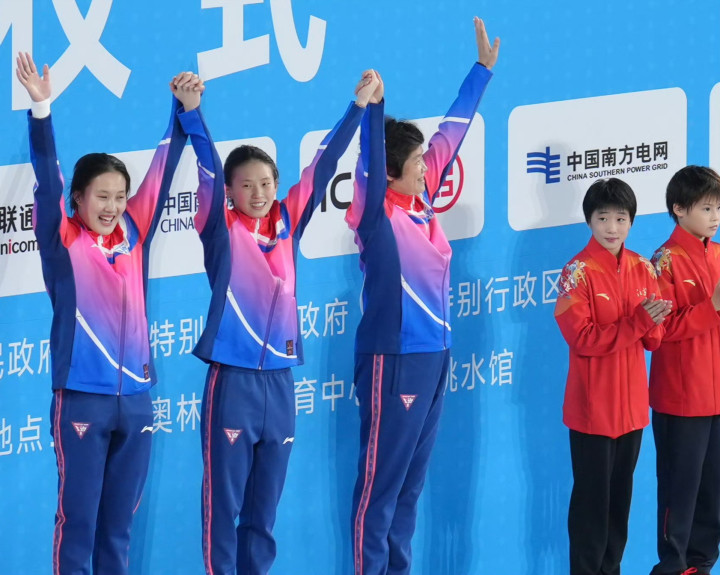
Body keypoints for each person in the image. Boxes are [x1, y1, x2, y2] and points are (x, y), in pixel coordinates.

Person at [170, 69, 380, 575]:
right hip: (233, 382)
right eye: (246, 185)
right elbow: (206, 166)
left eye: (266, 183)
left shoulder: (288, 219)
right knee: (224, 509)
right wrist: (192, 114)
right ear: (229, 191)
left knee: (263, 514)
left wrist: (358, 107)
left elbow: (324, 164)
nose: (259, 192)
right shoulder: (219, 227)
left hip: (280, 384)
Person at [15, 52, 197, 574]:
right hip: (81, 398)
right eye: (102, 196)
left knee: (119, 529)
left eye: (120, 196)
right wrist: (42, 110)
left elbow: (162, 170)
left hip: (136, 401)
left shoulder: (135, 232)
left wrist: (182, 110)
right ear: (78, 199)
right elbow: (47, 178)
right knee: (79, 525)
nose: (113, 206)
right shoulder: (63, 241)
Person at [345, 17, 499, 575]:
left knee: (409, 490)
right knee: (379, 493)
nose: (426, 167)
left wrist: (481, 72)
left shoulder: (422, 198)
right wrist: (374, 110)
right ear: (389, 174)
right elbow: (369, 163)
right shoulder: (374, 213)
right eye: (415, 165)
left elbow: (450, 134)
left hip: (435, 358)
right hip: (394, 359)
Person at [554, 178, 671, 575]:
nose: (612, 228)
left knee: (619, 506)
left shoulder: (643, 268)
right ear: (589, 220)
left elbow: (654, 341)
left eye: (621, 219)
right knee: (591, 508)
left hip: (632, 411)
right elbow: (583, 339)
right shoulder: (576, 273)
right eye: (603, 218)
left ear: (632, 222)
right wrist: (638, 322)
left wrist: (654, 322)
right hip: (592, 412)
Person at [648, 166, 720, 575]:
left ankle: (701, 565)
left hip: (716, 395)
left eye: (719, 208)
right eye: (706, 208)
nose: (715, 217)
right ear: (679, 209)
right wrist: (712, 307)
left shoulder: (719, 254)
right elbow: (660, 329)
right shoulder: (664, 262)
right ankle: (672, 567)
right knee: (680, 491)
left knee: (713, 491)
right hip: (681, 397)